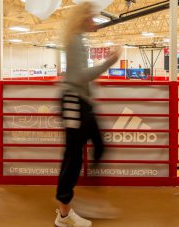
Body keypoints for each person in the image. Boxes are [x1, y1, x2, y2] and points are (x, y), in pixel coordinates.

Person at [55, 2, 122, 227]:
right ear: (82, 19)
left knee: (100, 146)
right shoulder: (74, 40)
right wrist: (109, 63)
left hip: (83, 103)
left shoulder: (79, 41)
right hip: (74, 103)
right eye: (92, 17)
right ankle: (64, 214)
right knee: (73, 157)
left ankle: (88, 197)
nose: (95, 21)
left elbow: (79, 77)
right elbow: (79, 77)